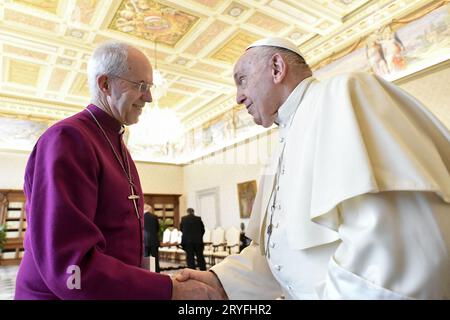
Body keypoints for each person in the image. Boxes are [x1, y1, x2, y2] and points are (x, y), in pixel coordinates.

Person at [176, 37, 450, 299]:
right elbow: (282, 251)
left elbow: (396, 246)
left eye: (242, 80)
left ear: (276, 68)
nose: (238, 97)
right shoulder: (282, 140)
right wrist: (222, 281)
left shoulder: (343, 93)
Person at [15, 41, 220, 300]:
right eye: (141, 86)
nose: (149, 98)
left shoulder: (115, 142)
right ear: (105, 84)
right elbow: (70, 267)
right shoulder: (68, 138)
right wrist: (169, 290)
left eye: (150, 87)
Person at [143, 204, 160, 273]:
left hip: (144, 240)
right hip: (154, 240)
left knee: (145, 257)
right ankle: (157, 272)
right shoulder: (154, 217)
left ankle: (146, 272)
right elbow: (157, 228)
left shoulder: (141, 217)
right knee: (155, 257)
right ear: (149, 209)